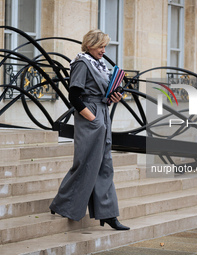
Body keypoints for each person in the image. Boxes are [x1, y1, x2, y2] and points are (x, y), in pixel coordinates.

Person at [49, 29, 129, 231]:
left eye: (105, 46)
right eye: (101, 46)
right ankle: (62, 204)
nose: (104, 50)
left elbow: (101, 93)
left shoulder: (99, 65)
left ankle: (109, 214)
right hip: (90, 118)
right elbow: (74, 97)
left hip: (102, 113)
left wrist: (113, 97)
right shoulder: (81, 63)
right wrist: (93, 120)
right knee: (85, 163)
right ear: (91, 45)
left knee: (105, 165)